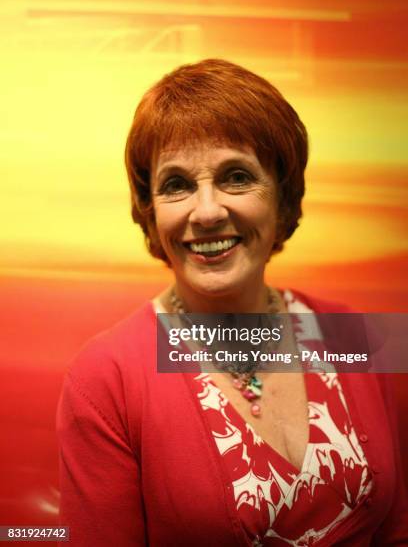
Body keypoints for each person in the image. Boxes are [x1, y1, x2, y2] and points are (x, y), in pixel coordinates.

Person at [57, 59, 408, 546]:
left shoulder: (355, 334)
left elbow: (396, 528)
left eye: (237, 176)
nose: (206, 212)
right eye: (177, 185)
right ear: (149, 210)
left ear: (283, 197)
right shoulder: (106, 377)